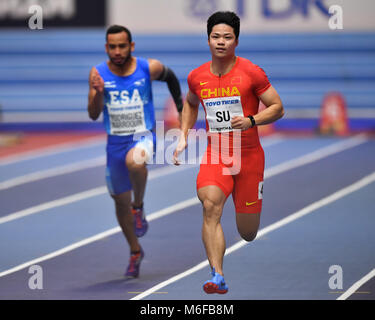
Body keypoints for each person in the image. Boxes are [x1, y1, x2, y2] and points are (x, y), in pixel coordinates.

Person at [173, 11, 284, 294]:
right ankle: (217, 275)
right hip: (217, 153)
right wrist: (183, 136)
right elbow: (190, 103)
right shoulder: (196, 76)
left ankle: (247, 209)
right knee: (210, 205)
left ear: (236, 40)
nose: (220, 42)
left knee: (247, 233)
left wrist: (251, 120)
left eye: (227, 37)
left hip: (249, 156)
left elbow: (277, 107)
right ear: (208, 39)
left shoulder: (251, 72)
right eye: (215, 37)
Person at [88, 25, 183, 278]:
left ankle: (138, 206)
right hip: (114, 144)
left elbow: (171, 77)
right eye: (112, 47)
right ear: (106, 48)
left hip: (142, 136)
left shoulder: (147, 68)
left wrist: (182, 109)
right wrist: (98, 94)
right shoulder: (98, 74)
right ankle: (135, 250)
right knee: (119, 203)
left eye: (122, 46)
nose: (117, 51)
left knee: (136, 163)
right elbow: (94, 113)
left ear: (131, 46)